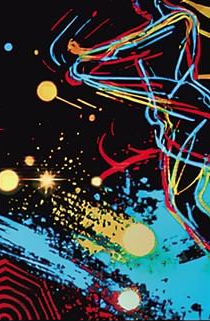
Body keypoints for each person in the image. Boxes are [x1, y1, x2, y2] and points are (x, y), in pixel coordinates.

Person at [64, 0, 210, 252]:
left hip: (192, 114)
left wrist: (86, 56)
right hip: (177, 121)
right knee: (181, 201)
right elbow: (127, 45)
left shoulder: (179, 21)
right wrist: (87, 57)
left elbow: (132, 46)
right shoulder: (160, 26)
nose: (136, 5)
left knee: (182, 200)